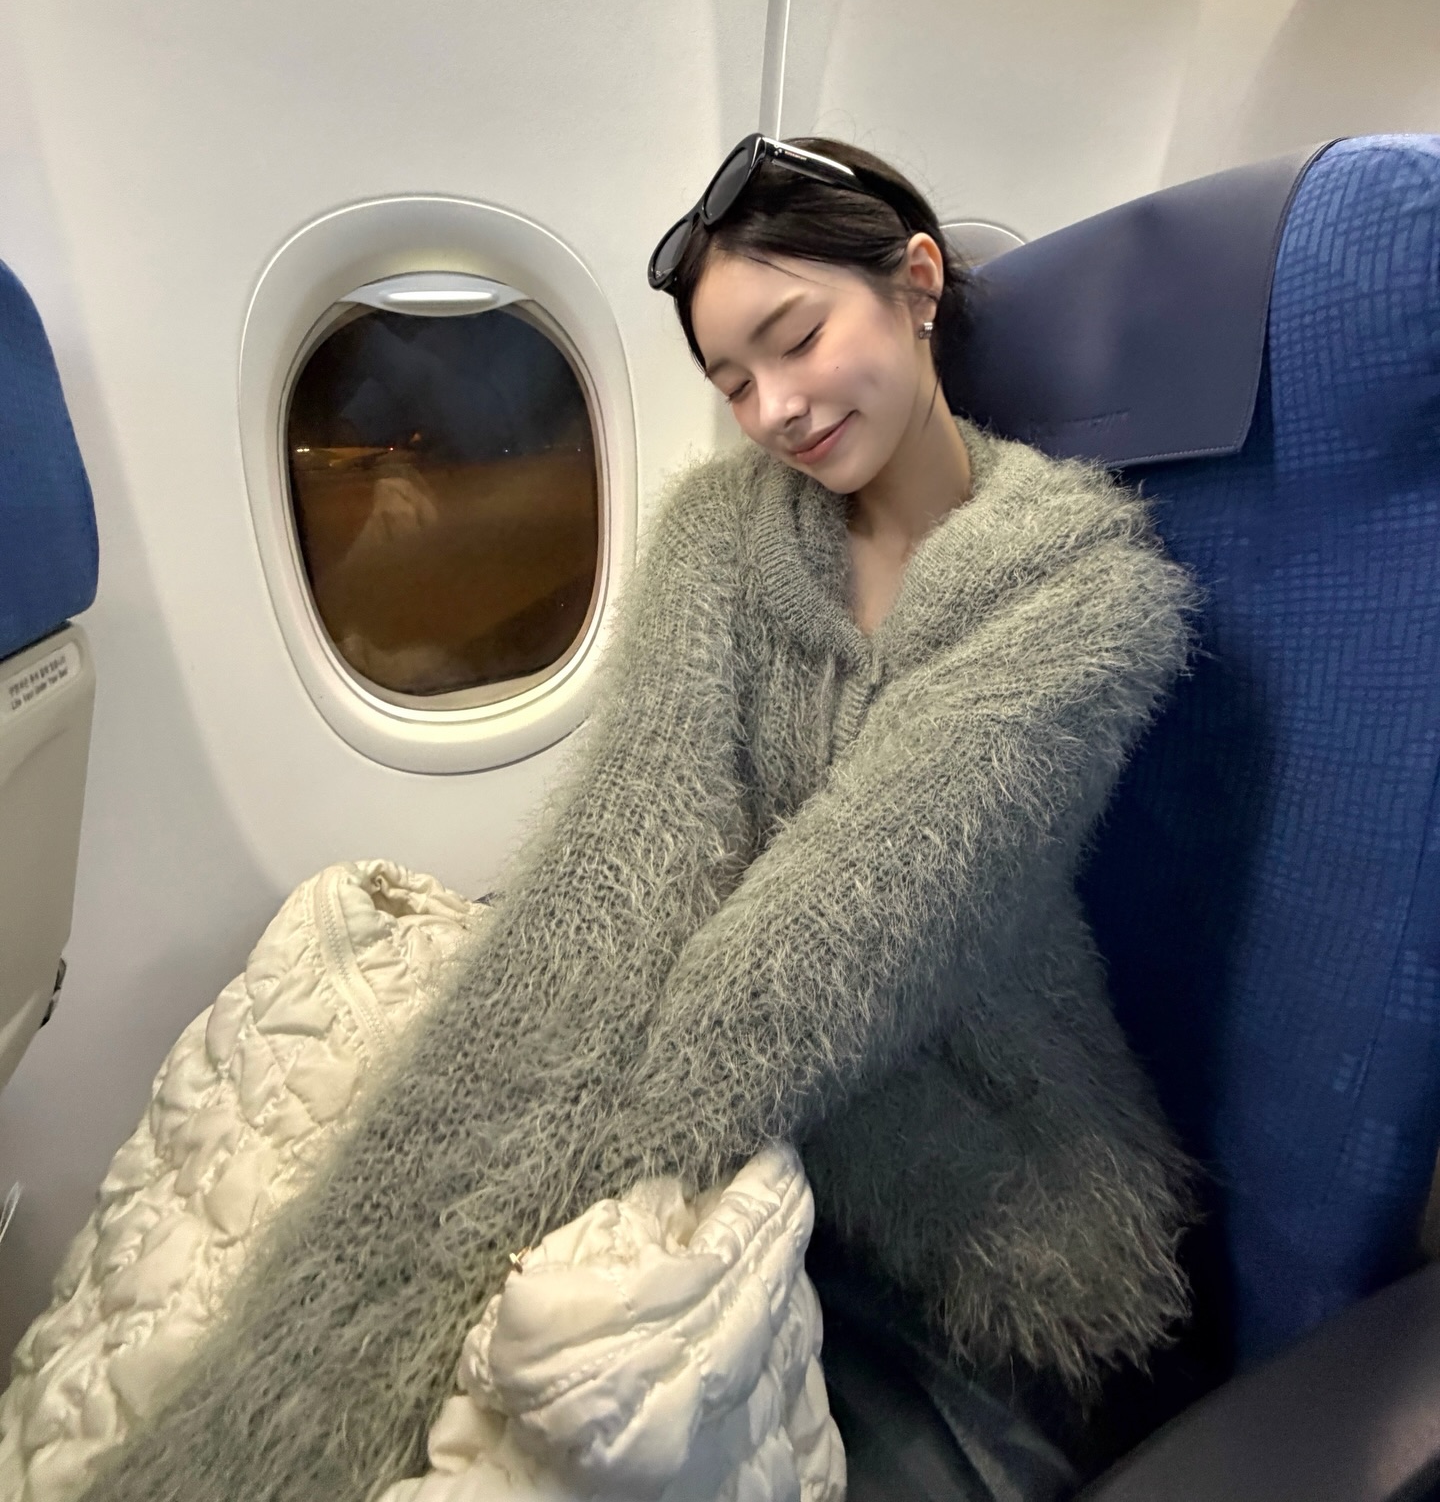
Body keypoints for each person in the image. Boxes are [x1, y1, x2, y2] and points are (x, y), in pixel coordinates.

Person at [80, 136, 1199, 1502]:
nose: (774, 409)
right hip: (767, 1136)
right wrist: (450, 1185)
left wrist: (539, 1205)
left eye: (796, 339)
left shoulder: (1085, 593)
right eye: (732, 381)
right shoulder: (723, 536)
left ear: (915, 285)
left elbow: (839, 949)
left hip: (995, 1214)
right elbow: (622, 863)